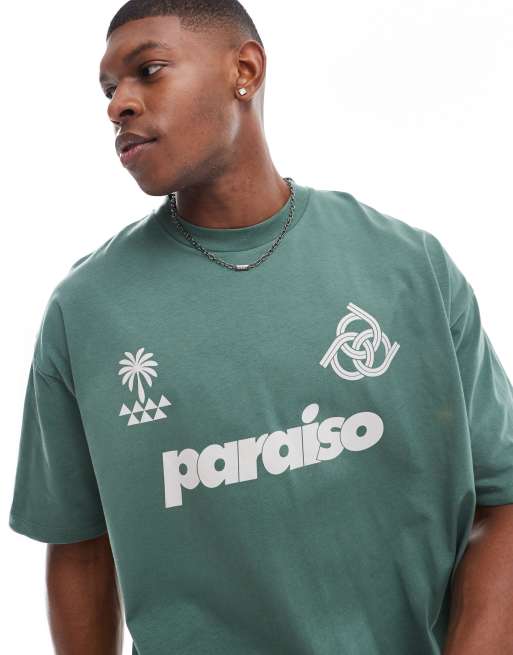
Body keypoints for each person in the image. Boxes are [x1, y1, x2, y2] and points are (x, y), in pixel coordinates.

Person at [8, 1, 513, 654]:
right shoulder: (85, 311)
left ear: (243, 71)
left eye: (148, 70)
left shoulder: (407, 266)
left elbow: (502, 499)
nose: (118, 105)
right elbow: (78, 550)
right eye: (108, 90)